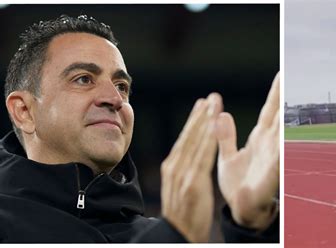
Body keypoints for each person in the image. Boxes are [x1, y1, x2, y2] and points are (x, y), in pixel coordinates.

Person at [0, 15, 279, 243]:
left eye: (122, 87)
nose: (114, 99)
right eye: (83, 79)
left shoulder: (154, 234)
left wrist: (252, 230)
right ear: (24, 111)